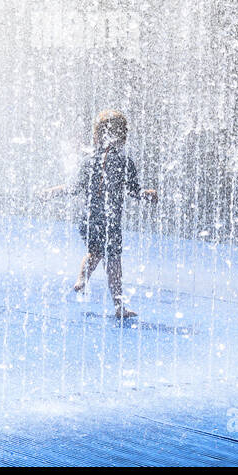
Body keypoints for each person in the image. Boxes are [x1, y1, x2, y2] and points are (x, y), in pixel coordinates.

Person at [42, 110, 157, 320]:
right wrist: (148, 195)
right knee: (113, 262)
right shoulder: (125, 162)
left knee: (94, 252)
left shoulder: (88, 161)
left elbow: (73, 188)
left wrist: (52, 192)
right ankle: (119, 306)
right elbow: (134, 191)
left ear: (96, 136)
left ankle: (82, 278)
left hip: (88, 220)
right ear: (123, 137)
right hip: (110, 223)